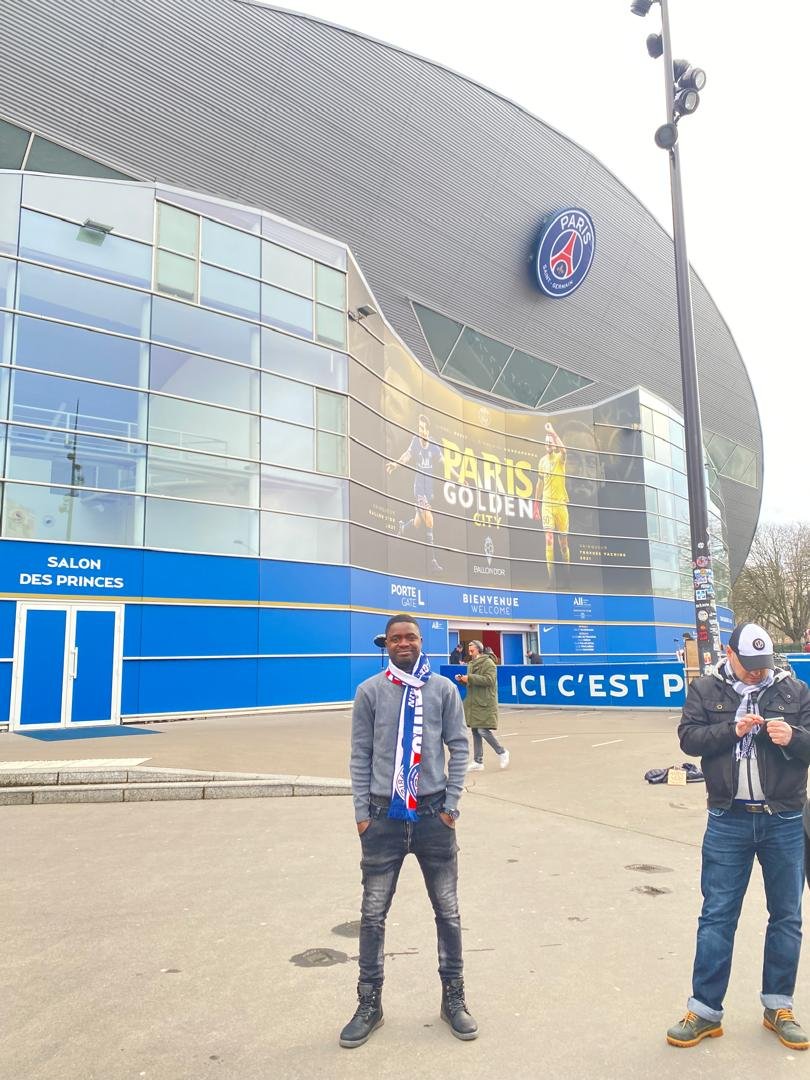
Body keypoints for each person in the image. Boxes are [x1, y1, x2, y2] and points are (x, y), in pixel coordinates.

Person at [667, 622, 810, 1051]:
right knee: (717, 916)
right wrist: (733, 729)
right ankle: (705, 1012)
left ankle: (778, 1007)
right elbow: (689, 739)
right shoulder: (705, 689)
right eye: (749, 664)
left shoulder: (795, 690)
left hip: (784, 818)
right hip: (727, 819)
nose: (756, 672)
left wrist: (794, 738)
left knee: (786, 916)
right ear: (729, 654)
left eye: (762, 664)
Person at [341, 615, 477, 1048]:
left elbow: (459, 747)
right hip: (382, 819)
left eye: (411, 637)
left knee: (448, 912)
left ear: (421, 641)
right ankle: (369, 1004)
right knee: (372, 915)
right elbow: (360, 754)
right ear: (386, 644)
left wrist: (451, 806)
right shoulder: (369, 691)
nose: (404, 643)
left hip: (434, 816)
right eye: (396, 638)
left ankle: (453, 999)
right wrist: (362, 814)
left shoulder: (443, 690)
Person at [386, 413, 450, 573]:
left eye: (423, 428)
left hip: (429, 491)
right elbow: (406, 456)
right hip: (419, 489)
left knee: (417, 523)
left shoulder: (433, 445)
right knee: (430, 520)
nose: (421, 430)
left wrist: (458, 477)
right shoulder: (415, 441)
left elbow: (444, 463)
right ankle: (432, 561)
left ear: (428, 430)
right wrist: (395, 464)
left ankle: (403, 527)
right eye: (419, 427)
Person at [455, 639, 509, 772]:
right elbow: (473, 683)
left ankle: (502, 752)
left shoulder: (488, 663)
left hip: (485, 702)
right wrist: (463, 680)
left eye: (471, 646)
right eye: (468, 647)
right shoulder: (471, 663)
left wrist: (470, 678)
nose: (469, 648)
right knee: (475, 730)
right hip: (474, 702)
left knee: (482, 730)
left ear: (478, 649)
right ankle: (478, 761)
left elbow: (489, 680)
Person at [533, 421, 570, 584]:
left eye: (551, 441)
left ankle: (567, 577)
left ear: (554, 444)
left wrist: (553, 432)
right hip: (547, 504)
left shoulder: (560, 458)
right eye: (546, 442)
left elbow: (564, 450)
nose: (548, 444)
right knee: (549, 539)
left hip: (560, 505)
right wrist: (536, 504)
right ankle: (551, 580)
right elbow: (539, 483)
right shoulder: (541, 462)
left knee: (563, 543)